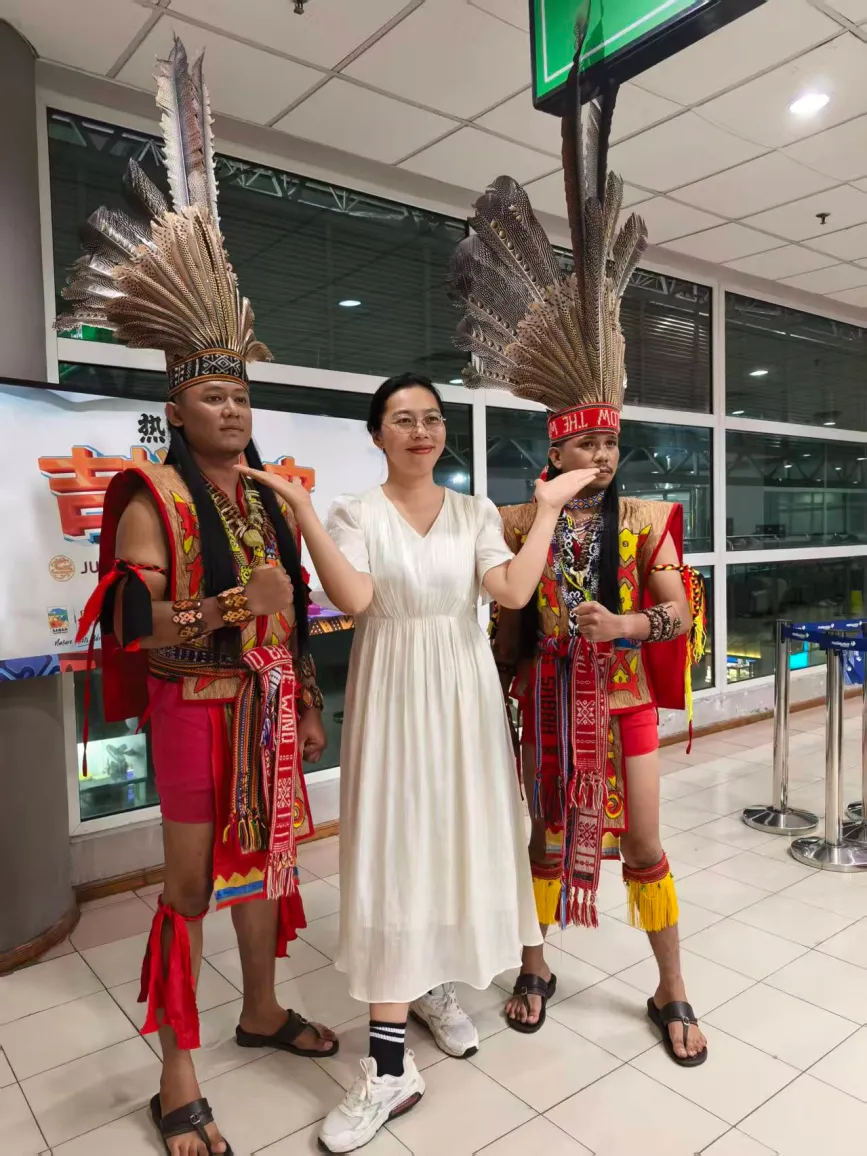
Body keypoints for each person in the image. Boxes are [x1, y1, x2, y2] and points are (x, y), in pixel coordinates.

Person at [57, 39, 337, 1156]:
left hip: (268, 709)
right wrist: (227, 610)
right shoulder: (153, 494)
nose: (232, 409)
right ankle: (176, 1075)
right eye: (213, 395)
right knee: (187, 887)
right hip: (191, 710)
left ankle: (260, 1011)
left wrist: (304, 691)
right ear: (177, 408)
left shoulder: (268, 497)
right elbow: (133, 624)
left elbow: (291, 604)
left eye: (241, 395)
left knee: (268, 868)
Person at [238, 371, 599, 1153]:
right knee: (395, 850)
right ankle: (388, 1068)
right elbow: (354, 599)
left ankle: (429, 984)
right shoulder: (355, 511)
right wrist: (304, 513)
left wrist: (544, 510)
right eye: (402, 419)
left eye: (431, 418)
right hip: (394, 691)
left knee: (450, 840)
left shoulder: (473, 513)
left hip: (464, 693)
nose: (420, 431)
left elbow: (511, 591)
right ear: (377, 435)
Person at [448, 38, 708, 1067]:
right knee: (544, 836)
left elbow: (680, 612)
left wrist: (629, 621)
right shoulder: (520, 521)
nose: (599, 457)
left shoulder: (642, 518)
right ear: (555, 445)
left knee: (643, 840)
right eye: (583, 444)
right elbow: (498, 617)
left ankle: (670, 985)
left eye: (609, 443)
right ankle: (536, 964)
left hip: (625, 700)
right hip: (546, 698)